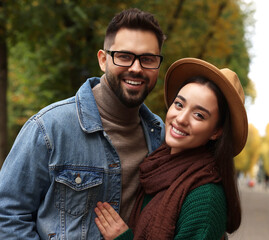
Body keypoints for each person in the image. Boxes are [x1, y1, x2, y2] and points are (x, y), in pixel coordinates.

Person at [0, 8, 166, 239]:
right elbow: (7, 215)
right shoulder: (49, 128)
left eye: (148, 59)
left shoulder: (160, 136)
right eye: (124, 56)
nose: (136, 68)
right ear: (103, 59)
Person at [94, 58, 249, 240]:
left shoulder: (205, 198)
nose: (181, 118)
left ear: (216, 131)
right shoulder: (156, 166)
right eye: (179, 104)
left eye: (199, 115)